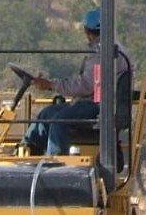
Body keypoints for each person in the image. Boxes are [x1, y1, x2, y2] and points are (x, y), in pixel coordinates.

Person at [21, 8, 131, 155]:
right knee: (47, 114)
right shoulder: (108, 49)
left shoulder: (104, 53)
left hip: (99, 106)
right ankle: (28, 151)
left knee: (59, 121)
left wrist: (51, 85)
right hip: (94, 101)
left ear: (88, 31)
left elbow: (85, 86)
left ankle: (55, 162)